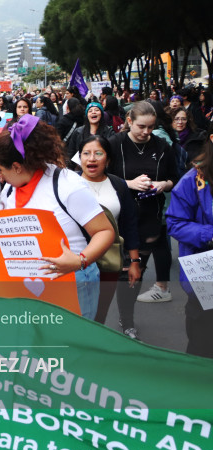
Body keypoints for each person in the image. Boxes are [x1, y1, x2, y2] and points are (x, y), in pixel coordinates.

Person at [0, 116, 114, 320]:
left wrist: (79, 261)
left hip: (74, 280)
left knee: (76, 345)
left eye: (0, 169)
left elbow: (104, 231)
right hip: (28, 282)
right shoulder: (9, 190)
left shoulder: (67, 185)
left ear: (17, 167)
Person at [107, 101, 178, 336]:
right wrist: (128, 184)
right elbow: (95, 175)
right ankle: (105, 320)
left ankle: (127, 321)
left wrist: (163, 184)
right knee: (114, 273)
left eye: (151, 127)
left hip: (149, 218)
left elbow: (174, 178)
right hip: (116, 220)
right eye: (141, 127)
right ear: (129, 122)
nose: (147, 132)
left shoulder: (162, 146)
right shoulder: (114, 143)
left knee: (134, 273)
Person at [77, 136, 141, 326]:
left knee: (100, 312)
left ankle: (96, 349)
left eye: (98, 153)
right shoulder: (68, 185)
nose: (92, 159)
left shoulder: (118, 185)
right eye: (86, 154)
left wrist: (134, 261)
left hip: (109, 261)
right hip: (76, 262)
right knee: (77, 312)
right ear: (79, 157)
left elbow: (129, 224)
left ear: (108, 159)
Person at [166, 124, 213, 357]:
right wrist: (209, 235)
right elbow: (175, 223)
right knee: (203, 342)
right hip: (206, 272)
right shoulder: (193, 179)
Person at [65, 102, 115, 170]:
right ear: (87, 115)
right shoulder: (78, 132)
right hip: (81, 170)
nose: (93, 112)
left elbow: (112, 155)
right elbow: (70, 153)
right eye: (90, 111)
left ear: (101, 114)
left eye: (97, 110)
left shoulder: (110, 132)